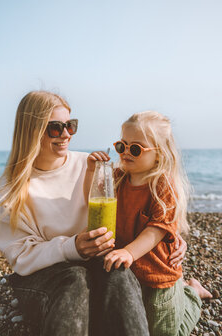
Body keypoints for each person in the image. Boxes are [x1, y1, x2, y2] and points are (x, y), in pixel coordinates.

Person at [0, 91, 151, 336]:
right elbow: (21, 255)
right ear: (32, 130)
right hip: (43, 278)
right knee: (74, 278)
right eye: (55, 128)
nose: (66, 134)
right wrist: (72, 247)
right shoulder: (13, 187)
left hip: (95, 266)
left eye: (70, 125)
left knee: (119, 274)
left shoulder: (92, 166)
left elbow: (138, 201)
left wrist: (169, 234)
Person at [85, 111, 212, 336]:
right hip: (129, 270)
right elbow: (92, 198)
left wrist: (128, 252)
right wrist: (90, 171)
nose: (125, 153)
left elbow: (156, 230)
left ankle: (192, 293)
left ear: (159, 155)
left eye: (135, 149)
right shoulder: (118, 177)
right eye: (121, 146)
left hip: (157, 276)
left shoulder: (162, 185)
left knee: (168, 331)